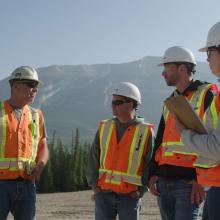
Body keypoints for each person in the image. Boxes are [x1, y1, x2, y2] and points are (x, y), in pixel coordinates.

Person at [148, 46, 219, 220]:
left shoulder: (208, 94)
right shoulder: (170, 101)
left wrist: (200, 180)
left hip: (189, 184)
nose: (163, 73)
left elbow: (214, 137)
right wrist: (153, 174)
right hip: (164, 182)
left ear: (182, 68)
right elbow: (161, 142)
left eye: (167, 68)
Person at [167, 22, 220, 220]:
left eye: (210, 53)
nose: (207, 60)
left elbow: (217, 147)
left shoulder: (208, 93)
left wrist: (184, 133)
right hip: (213, 185)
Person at [86, 82, 155, 220]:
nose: (112, 105)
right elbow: (94, 156)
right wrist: (95, 186)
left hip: (130, 197)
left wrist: (141, 191)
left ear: (130, 105)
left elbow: (150, 163)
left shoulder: (146, 131)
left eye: (117, 102)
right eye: (112, 102)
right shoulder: (104, 126)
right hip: (103, 195)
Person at [0, 66, 49, 220]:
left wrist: (40, 164)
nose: (34, 90)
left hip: (27, 185)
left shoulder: (36, 115)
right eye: (30, 85)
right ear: (15, 85)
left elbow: (43, 145)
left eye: (36, 87)